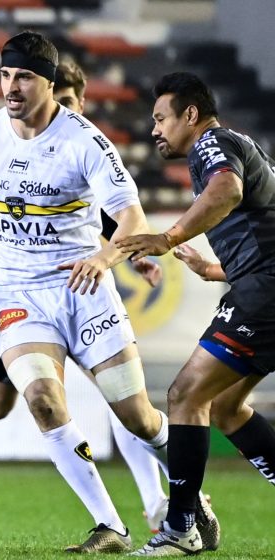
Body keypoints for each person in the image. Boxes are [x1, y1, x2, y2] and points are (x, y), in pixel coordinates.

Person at [0, 31, 218, 553]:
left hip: (84, 291)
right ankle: (110, 525)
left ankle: (187, 498)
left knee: (138, 418)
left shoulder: (85, 141)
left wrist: (108, 256)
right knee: (42, 401)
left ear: (47, 83)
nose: (11, 87)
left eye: (23, 77)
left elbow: (129, 214)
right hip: (20, 293)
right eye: (5, 75)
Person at [118, 71, 275, 556]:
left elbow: (226, 193)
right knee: (226, 406)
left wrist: (168, 238)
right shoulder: (237, 144)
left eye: (161, 118)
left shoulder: (212, 143)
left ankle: (180, 526)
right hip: (261, 287)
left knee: (185, 394)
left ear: (191, 114)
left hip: (263, 293)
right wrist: (213, 267)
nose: (155, 130)